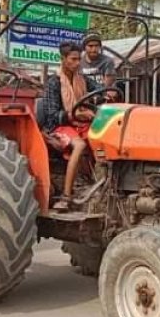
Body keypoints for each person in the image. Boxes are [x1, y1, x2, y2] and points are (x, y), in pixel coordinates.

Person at [39, 41, 99, 211]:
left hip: (81, 123)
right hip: (59, 126)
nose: (77, 63)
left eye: (79, 59)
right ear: (63, 59)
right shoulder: (54, 82)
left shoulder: (83, 79)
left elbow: (99, 89)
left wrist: (108, 92)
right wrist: (74, 115)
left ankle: (97, 184)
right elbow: (52, 115)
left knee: (103, 139)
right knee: (79, 145)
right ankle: (66, 196)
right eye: (73, 59)